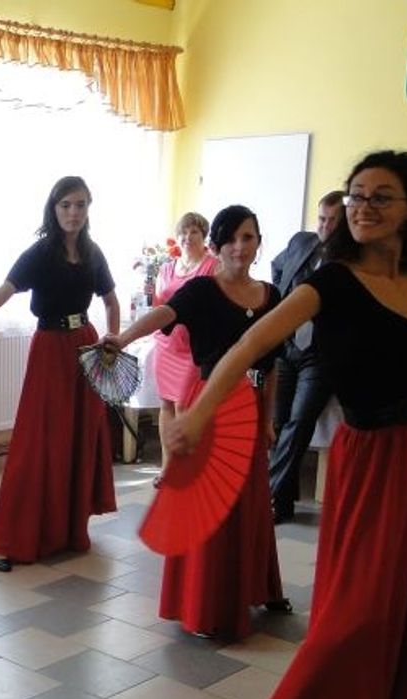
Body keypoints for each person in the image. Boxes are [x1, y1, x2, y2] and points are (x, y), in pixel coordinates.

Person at [165, 151, 407, 699]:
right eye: (357, 195)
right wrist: (195, 416)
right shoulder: (328, 283)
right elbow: (249, 347)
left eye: (381, 197)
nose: (363, 207)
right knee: (355, 611)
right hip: (368, 457)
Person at [104, 205, 288, 640]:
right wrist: (122, 337)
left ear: (259, 243)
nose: (240, 247)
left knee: (253, 504)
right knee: (212, 509)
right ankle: (206, 605)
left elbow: (273, 364)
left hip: (253, 405)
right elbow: (163, 315)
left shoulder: (272, 295)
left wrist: (268, 417)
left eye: (249, 237)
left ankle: (257, 587)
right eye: (231, 239)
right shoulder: (202, 290)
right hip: (211, 406)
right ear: (217, 246)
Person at [0, 176, 120, 572]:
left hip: (87, 347)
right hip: (50, 349)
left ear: (88, 209)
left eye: (80, 205)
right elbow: (5, 290)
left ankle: (68, 531)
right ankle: (8, 540)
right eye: (66, 205)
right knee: (38, 441)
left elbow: (111, 299)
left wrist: (114, 338)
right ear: (53, 208)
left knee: (79, 437)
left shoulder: (94, 253)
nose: (73, 213)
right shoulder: (40, 253)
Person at [267, 190, 345, 522]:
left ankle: (269, 495)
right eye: (322, 218)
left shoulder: (353, 259)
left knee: (299, 424)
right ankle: (282, 502)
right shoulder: (302, 242)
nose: (325, 226)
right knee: (279, 422)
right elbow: (277, 268)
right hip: (289, 348)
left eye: (332, 221)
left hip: (322, 355)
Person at [151, 212, 219, 484]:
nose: (188, 237)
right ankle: (168, 467)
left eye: (194, 232)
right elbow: (158, 305)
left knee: (184, 406)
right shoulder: (166, 269)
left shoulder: (213, 266)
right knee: (166, 404)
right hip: (166, 345)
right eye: (183, 233)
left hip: (193, 348)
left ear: (204, 236)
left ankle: (187, 467)